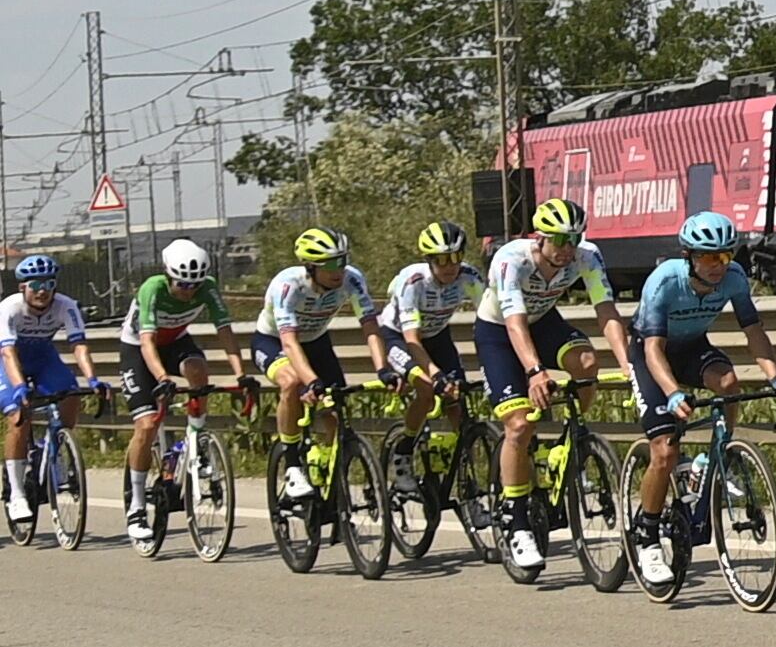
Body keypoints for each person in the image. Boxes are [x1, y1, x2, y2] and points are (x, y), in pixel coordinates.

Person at [625, 211, 776, 589]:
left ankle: (715, 457)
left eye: (725, 256)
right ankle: (647, 536)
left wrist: (775, 376)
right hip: (652, 354)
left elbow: (754, 330)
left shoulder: (733, 279)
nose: (717, 266)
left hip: (693, 347)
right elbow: (653, 350)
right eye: (708, 257)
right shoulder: (664, 281)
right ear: (689, 256)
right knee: (664, 450)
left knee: (729, 382)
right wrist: (673, 392)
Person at [476, 198, 627, 580]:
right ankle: (516, 520)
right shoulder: (512, 260)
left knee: (588, 364)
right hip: (500, 332)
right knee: (520, 425)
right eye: (558, 239)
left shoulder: (587, 257)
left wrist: (628, 363)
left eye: (573, 239)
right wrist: (535, 370)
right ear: (539, 237)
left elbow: (606, 311)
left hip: (544, 322)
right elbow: (514, 322)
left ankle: (568, 445)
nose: (566, 248)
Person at [120, 239, 232, 547]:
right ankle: (137, 507)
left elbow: (225, 331)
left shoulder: (207, 288)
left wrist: (241, 373)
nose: (188, 291)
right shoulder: (152, 288)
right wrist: (161, 377)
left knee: (198, 368)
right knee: (146, 425)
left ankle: (197, 438)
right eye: (182, 284)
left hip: (177, 341)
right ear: (168, 276)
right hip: (139, 348)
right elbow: (146, 343)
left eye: (194, 285)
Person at [260, 226, 382, 500]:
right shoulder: (288, 285)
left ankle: (323, 460)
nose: (338, 270)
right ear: (311, 267)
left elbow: (371, 327)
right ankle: (292, 466)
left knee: (335, 410)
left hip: (316, 342)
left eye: (342, 260)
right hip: (274, 342)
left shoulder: (353, 280)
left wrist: (383, 368)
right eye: (328, 264)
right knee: (291, 382)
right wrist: (312, 381)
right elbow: (289, 343)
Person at [1, 254, 98, 539]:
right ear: (23, 287)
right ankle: (17, 494)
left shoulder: (66, 306)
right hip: (9, 359)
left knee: (70, 395)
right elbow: (7, 352)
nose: (43, 290)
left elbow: (79, 346)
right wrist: (19, 387)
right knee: (19, 416)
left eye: (49, 283)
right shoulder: (9, 308)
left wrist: (92, 377)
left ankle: (54, 448)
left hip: (43, 357)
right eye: (36, 284)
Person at [371, 221, 485, 432]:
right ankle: (405, 446)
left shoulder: (469, 277)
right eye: (442, 260)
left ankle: (462, 449)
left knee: (456, 395)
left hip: (437, 336)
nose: (450, 266)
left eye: (456, 257)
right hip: (398, 337)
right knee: (426, 390)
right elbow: (412, 339)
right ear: (429, 260)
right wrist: (436, 375)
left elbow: (491, 318)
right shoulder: (414, 281)